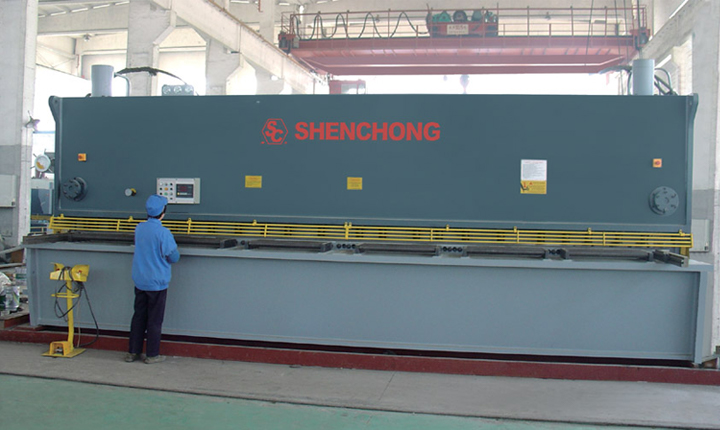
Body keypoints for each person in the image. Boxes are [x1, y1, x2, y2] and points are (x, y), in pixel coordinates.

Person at [125, 194, 179, 364]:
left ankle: (132, 352)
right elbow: (174, 257)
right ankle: (152, 355)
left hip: (140, 280)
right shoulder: (163, 233)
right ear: (163, 212)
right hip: (157, 283)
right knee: (154, 320)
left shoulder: (139, 228)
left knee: (139, 317)